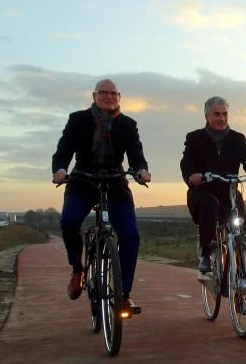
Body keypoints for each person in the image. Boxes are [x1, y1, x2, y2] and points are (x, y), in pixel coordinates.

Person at [52, 78, 151, 316]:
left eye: (113, 93)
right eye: (104, 92)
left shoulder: (128, 124)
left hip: (115, 182)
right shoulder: (78, 120)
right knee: (69, 221)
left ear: (119, 97)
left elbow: (136, 153)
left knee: (130, 234)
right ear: (94, 96)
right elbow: (64, 149)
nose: (109, 96)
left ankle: (124, 295)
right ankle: (78, 270)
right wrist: (60, 170)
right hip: (83, 181)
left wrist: (141, 170)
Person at [180, 96, 246, 275]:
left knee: (240, 221)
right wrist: (192, 176)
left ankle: (242, 261)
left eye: (224, 114)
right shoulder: (194, 138)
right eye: (216, 114)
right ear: (207, 117)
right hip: (202, 192)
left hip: (229, 192)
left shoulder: (237, 138)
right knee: (209, 203)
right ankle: (206, 253)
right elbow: (186, 161)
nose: (221, 118)